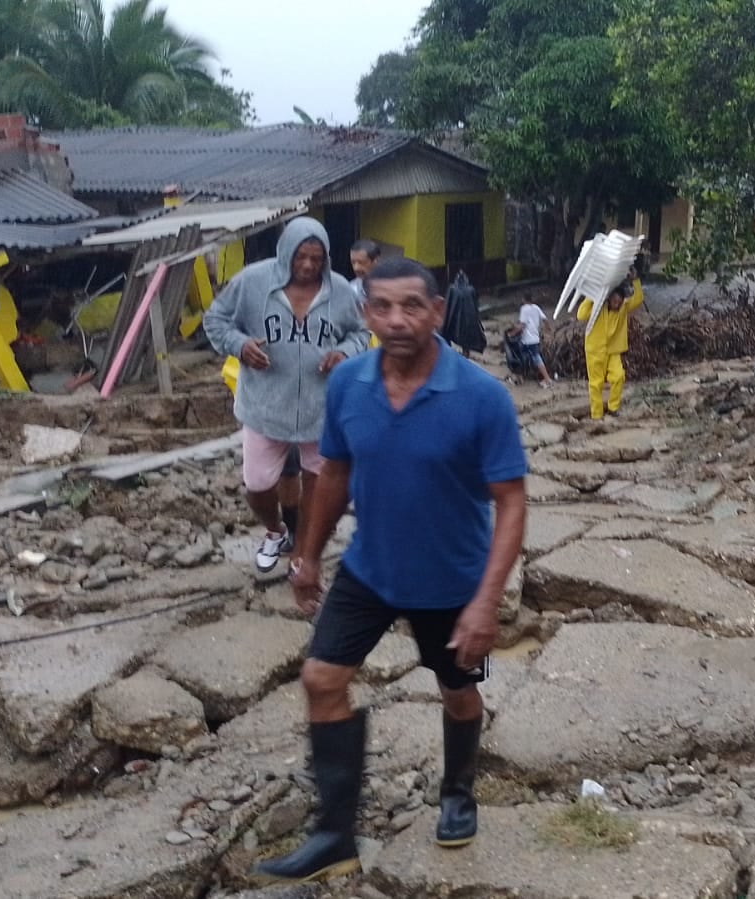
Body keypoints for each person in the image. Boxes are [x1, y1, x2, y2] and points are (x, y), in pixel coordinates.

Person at [252, 257, 527, 885]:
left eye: (412, 307)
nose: (398, 320)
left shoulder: (482, 397)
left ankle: (457, 791)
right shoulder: (349, 383)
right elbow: (335, 474)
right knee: (321, 679)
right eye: (383, 307)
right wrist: (308, 554)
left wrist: (487, 602)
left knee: (457, 691)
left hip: (454, 582)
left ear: (437, 311)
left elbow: (511, 501)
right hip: (369, 569)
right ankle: (334, 834)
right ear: (365, 313)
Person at [203, 217, 369, 573]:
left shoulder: (340, 290)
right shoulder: (252, 281)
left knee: (318, 483)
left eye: (316, 258)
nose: (308, 266)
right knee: (258, 484)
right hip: (265, 405)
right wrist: (240, 345)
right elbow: (215, 321)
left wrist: (345, 353)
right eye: (300, 257)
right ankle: (275, 530)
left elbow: (360, 334)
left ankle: (305, 551)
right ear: (285, 253)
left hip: (321, 408)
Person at [577, 270, 644, 420]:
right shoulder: (597, 308)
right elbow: (581, 315)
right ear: (608, 299)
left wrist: (636, 280)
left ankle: (613, 407)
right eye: (614, 299)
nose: (617, 302)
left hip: (613, 350)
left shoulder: (623, 308)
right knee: (596, 384)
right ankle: (597, 414)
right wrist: (592, 296)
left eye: (619, 300)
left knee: (619, 376)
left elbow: (638, 299)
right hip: (595, 350)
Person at [506, 297, 554, 387]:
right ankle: (520, 378)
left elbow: (522, 325)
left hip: (527, 339)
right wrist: (548, 330)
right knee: (525, 358)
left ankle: (547, 379)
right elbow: (545, 320)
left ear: (523, 300)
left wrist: (512, 334)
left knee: (525, 358)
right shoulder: (536, 307)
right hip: (535, 338)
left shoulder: (524, 309)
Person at [348, 239, 380, 303]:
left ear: (375, 261)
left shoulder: (389, 286)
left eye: (361, 262)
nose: (356, 268)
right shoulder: (350, 289)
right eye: (353, 262)